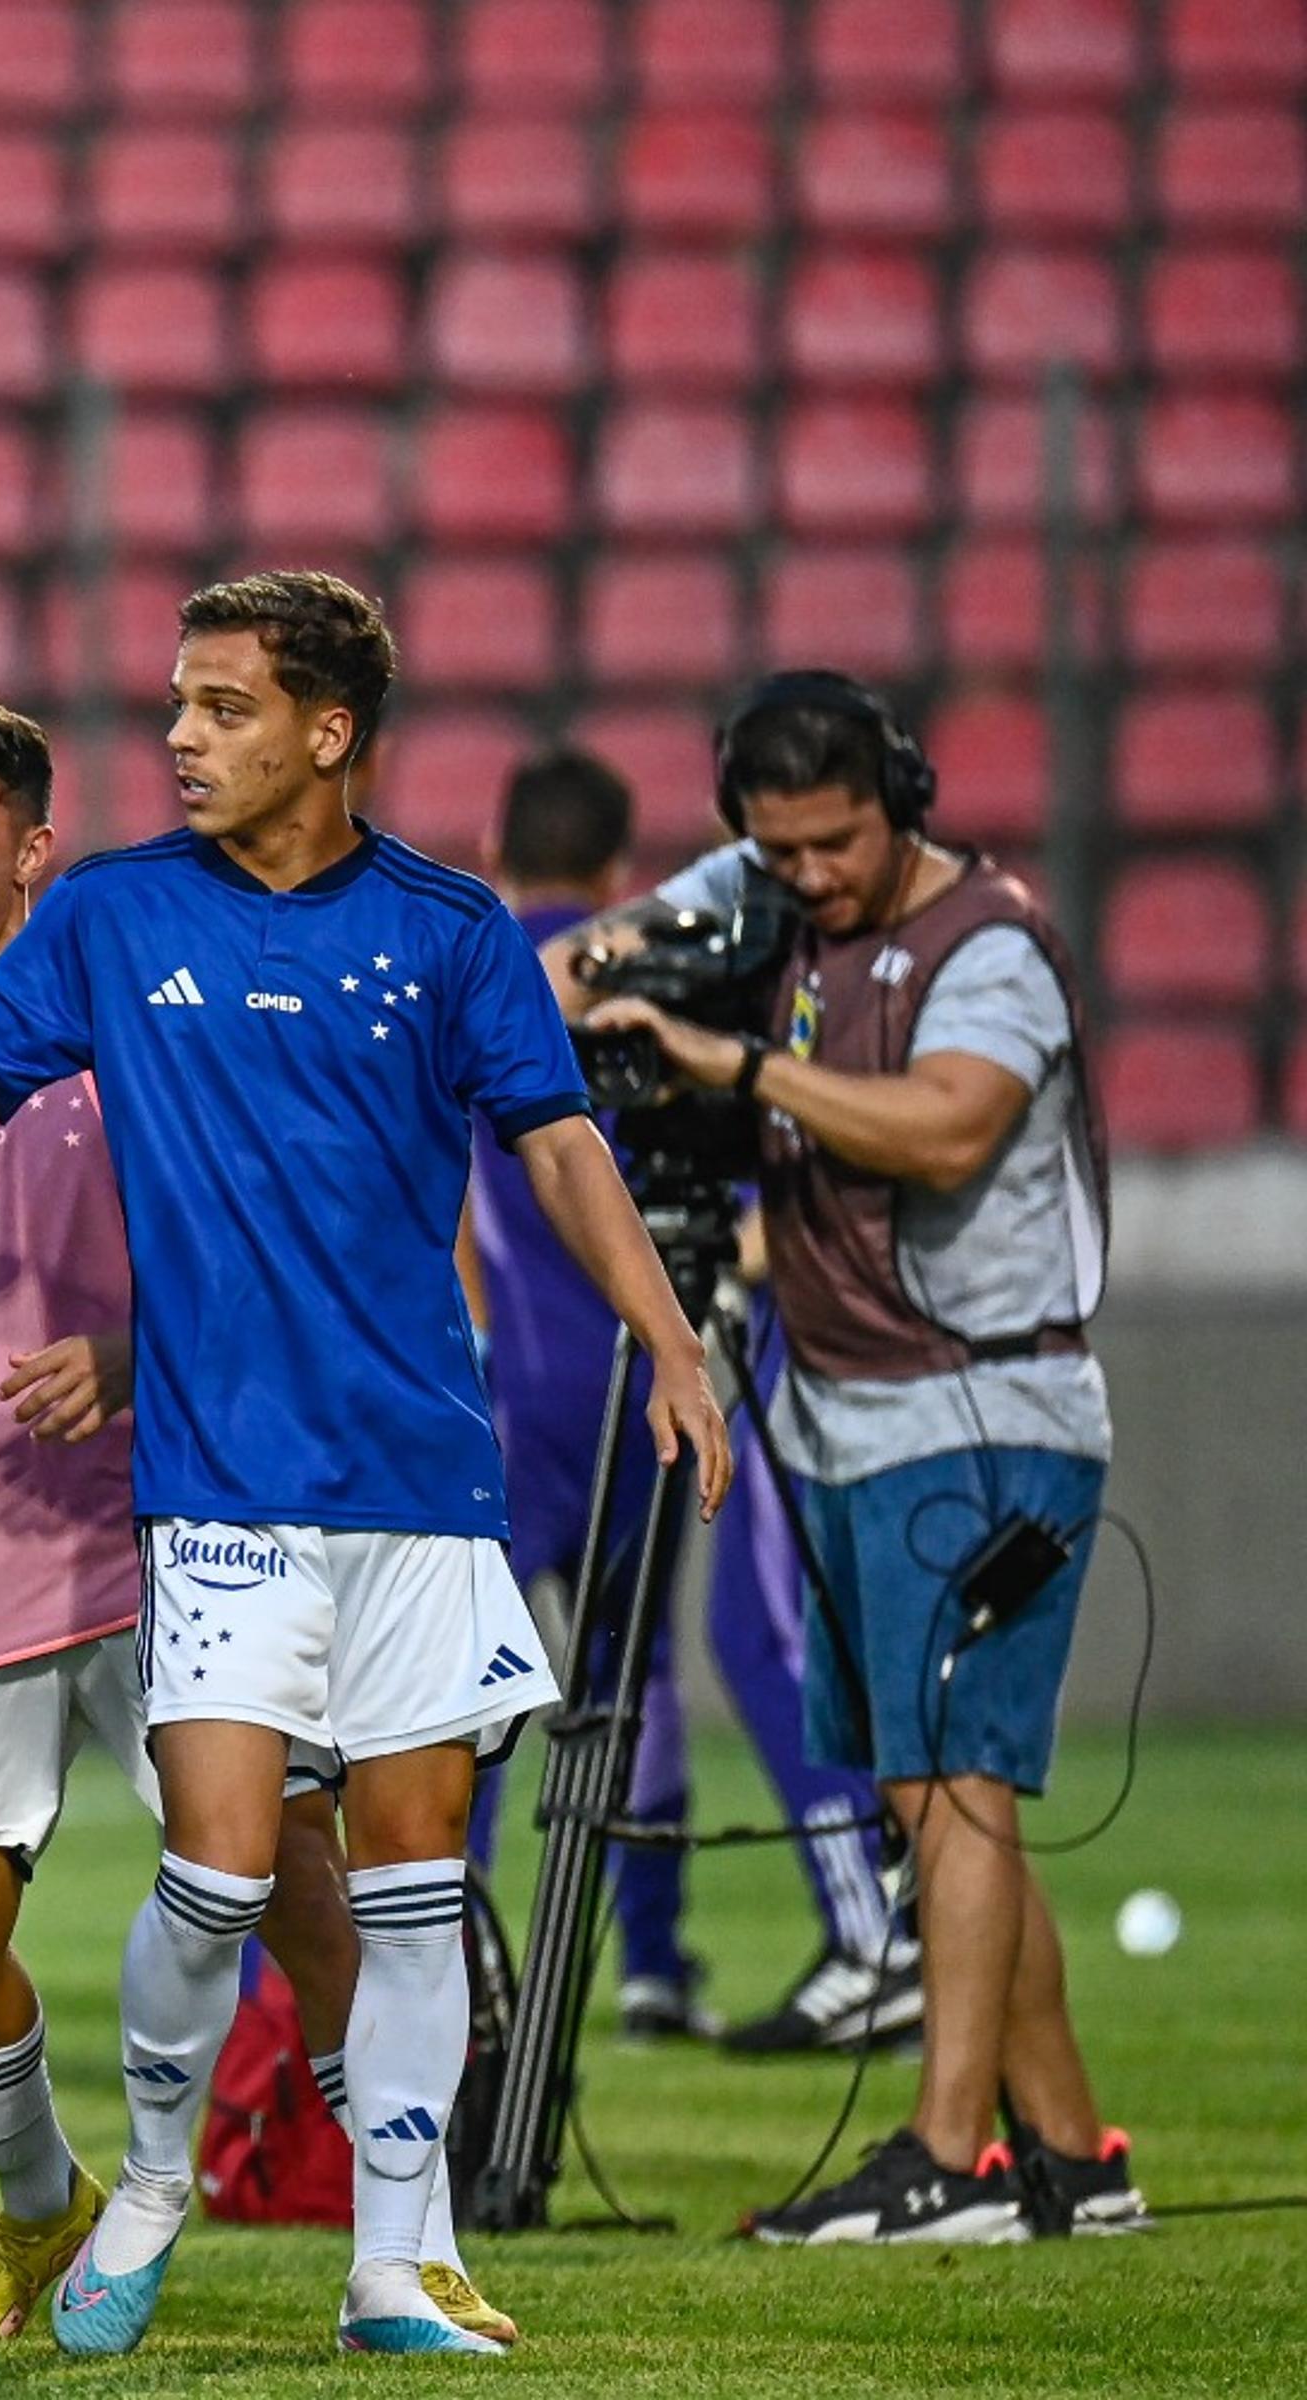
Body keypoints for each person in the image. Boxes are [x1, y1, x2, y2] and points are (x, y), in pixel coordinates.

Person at [0, 573, 725, 2358]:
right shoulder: (123, 921)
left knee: (400, 1884)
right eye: (178, 706)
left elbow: (558, 1146)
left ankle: (401, 2257)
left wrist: (670, 1341)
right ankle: (128, 2183)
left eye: (219, 708)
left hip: (409, 1482)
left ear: (326, 729)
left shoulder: (451, 931)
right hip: (183, 1501)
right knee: (199, 1878)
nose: (183, 736)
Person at [563, 673, 1141, 2245]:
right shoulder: (762, 889)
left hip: (980, 1414)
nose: (807, 877)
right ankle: (1077, 2155)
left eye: (834, 847)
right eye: (779, 851)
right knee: (926, 1790)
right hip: (852, 1407)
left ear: (907, 798)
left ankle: (955, 2158)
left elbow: (950, 1130)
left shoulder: (991, 948)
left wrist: (731, 1064)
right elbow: (571, 968)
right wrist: (615, 976)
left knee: (957, 1788)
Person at [468, 752, 906, 2049]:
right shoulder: (676, 984)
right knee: (644, 1668)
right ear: (617, 864)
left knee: (474, 1683)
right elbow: (766, 1208)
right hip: (658, 1374)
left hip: (507, 1393)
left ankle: (465, 1968)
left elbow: (440, 1203)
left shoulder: (482, 979)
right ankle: (661, 1957)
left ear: (496, 843)